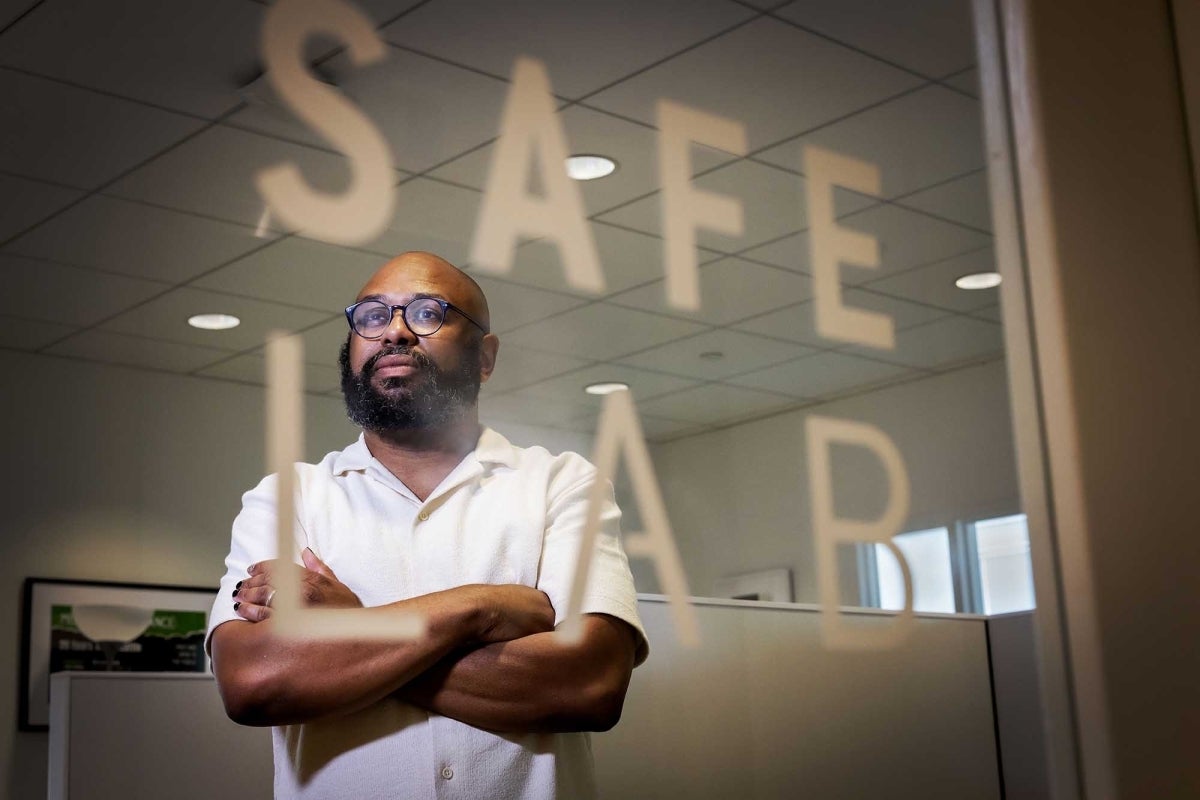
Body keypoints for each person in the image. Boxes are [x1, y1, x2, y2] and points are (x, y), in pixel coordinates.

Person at [207, 251, 648, 800]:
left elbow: (589, 686)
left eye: (426, 313)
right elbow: (254, 684)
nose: (394, 332)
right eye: (371, 316)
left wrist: (351, 625)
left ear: (485, 356)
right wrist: (479, 607)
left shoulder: (562, 484)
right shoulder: (287, 499)